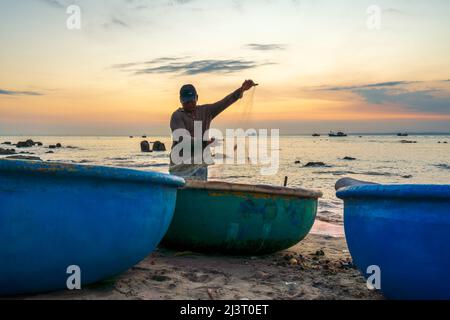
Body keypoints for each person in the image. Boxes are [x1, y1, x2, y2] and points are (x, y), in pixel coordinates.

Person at [170, 80, 257, 180]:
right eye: (186, 101)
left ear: (197, 98)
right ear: (181, 100)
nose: (189, 104)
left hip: (200, 166)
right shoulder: (177, 116)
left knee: (200, 193)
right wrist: (203, 142)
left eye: (192, 100)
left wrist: (241, 90)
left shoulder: (206, 111)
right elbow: (183, 139)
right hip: (180, 167)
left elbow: (224, 103)